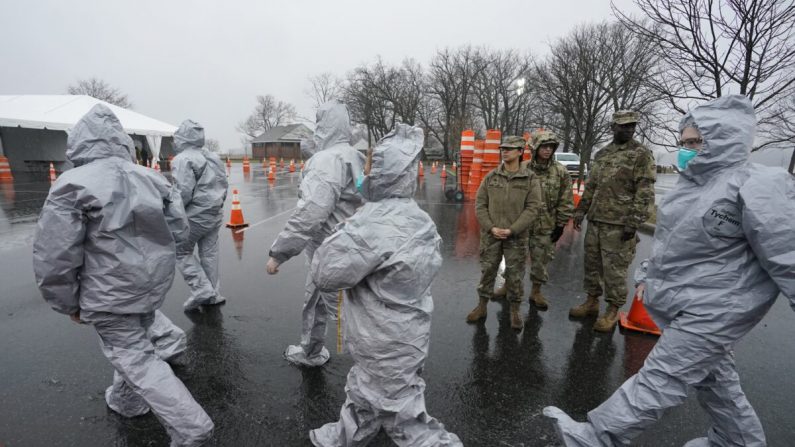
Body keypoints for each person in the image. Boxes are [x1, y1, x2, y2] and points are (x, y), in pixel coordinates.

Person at [544, 95, 795, 446]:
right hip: (688, 303)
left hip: (718, 308)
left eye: (696, 142)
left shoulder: (758, 185)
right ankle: (737, 440)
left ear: (724, 140)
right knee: (715, 379)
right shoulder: (691, 187)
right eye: (684, 143)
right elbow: (672, 245)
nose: (687, 150)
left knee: (661, 377)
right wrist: (648, 274)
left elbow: (788, 256)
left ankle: (595, 437)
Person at [32, 104, 214, 446]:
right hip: (149, 286)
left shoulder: (71, 185)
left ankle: (192, 427)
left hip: (107, 294)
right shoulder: (152, 178)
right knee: (132, 344)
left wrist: (66, 302)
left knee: (135, 356)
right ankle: (126, 402)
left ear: (80, 142)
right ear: (122, 141)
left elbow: (55, 254)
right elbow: (180, 229)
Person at [308, 123, 461, 447]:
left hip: (382, 338)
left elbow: (325, 272)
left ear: (382, 172)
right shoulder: (417, 217)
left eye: (369, 164)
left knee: (401, 411)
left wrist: (341, 230)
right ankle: (346, 435)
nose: (364, 169)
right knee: (367, 389)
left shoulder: (372, 223)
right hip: (408, 331)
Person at [266, 100, 365, 367]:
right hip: (336, 247)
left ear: (324, 125)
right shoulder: (353, 155)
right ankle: (310, 351)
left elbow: (311, 212)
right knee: (314, 301)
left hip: (334, 252)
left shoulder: (326, 161)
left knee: (347, 317)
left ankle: (377, 385)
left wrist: (279, 253)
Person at [570, 110, 655, 332]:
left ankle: (612, 310)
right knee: (592, 266)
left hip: (620, 225)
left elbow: (645, 192)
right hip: (597, 220)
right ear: (613, 127)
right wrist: (580, 212)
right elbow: (591, 186)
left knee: (614, 271)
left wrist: (634, 222)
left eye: (632, 126)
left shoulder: (641, 154)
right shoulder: (602, 154)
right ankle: (591, 301)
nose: (628, 129)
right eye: (623, 126)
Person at [466, 135, 543, 330]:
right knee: (488, 271)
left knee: (515, 274)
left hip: (516, 237)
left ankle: (515, 310)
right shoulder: (491, 177)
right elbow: (480, 204)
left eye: (510, 148)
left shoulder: (530, 179)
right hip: (491, 235)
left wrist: (512, 229)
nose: (504, 151)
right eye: (503, 148)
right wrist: (491, 227)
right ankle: (481, 306)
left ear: (520, 152)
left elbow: (533, 208)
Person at [171, 120, 229, 311]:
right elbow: (224, 184)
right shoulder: (213, 157)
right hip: (214, 212)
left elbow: (182, 192)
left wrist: (174, 215)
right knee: (209, 253)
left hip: (194, 215)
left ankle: (202, 289)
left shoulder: (182, 159)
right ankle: (212, 293)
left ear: (182, 137)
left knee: (181, 251)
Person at [524, 130, 574, 309]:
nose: (547, 150)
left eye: (551, 147)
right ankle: (508, 285)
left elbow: (566, 199)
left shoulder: (560, 172)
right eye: (543, 146)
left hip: (546, 224)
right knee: (514, 258)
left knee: (541, 260)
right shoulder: (523, 169)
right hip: (521, 225)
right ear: (535, 147)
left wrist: (560, 225)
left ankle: (536, 291)